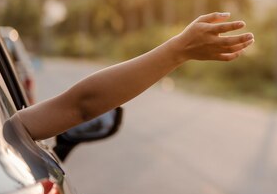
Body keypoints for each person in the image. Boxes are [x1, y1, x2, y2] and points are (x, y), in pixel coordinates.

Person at [16, 12, 253, 140]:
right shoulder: (4, 136)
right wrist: (178, 50)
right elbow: (80, 106)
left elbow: (82, 105)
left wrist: (180, 50)